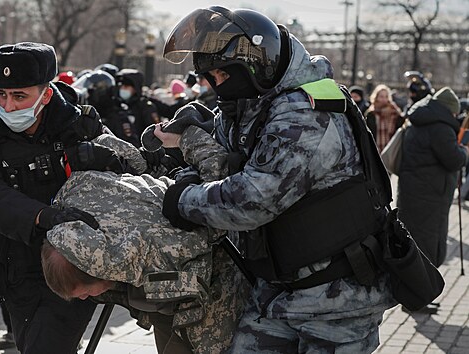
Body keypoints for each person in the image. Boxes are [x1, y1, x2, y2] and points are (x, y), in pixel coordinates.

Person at [158, 6, 396, 353]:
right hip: (277, 293)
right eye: (213, 79)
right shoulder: (256, 105)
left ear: (256, 63)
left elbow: (254, 199)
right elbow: (228, 162)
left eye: (224, 76)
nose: (218, 87)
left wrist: (183, 201)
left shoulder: (306, 112)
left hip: (338, 304)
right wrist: (194, 143)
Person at [0, 42, 128, 354]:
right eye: (2, 94)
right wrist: (41, 216)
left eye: (20, 95)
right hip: (16, 265)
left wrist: (103, 159)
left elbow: (126, 169)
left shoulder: (78, 124)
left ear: (46, 94)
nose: (8, 105)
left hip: (70, 262)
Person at [41, 119, 249, 353]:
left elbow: (216, 207)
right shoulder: (73, 201)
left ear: (96, 271)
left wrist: (188, 137)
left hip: (214, 287)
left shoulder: (158, 251)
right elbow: (113, 149)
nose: (84, 299)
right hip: (170, 290)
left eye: (87, 292)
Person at [398, 87, 466, 270]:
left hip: (414, 189)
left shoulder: (420, 120)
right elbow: (454, 160)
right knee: (428, 242)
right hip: (431, 194)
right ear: (448, 109)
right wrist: (464, 153)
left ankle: (413, 284)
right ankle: (422, 288)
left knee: (414, 237)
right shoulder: (440, 128)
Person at [72, 70, 140, 146]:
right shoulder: (89, 113)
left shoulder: (117, 116)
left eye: (90, 92)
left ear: (100, 92)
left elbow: (130, 147)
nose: (87, 95)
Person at [115, 68, 160, 136]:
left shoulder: (146, 107)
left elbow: (154, 133)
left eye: (126, 86)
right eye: (121, 86)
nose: (122, 89)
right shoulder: (117, 105)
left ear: (135, 89)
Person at [364, 84, 403, 152]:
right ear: (376, 98)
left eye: (386, 96)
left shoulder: (394, 112)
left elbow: (400, 128)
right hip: (375, 150)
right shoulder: (371, 113)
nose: (384, 99)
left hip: (391, 149)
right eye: (381, 96)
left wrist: (397, 111)